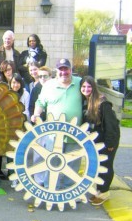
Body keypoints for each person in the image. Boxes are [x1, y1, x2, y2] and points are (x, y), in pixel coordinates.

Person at [32, 58, 83, 190]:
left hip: (75, 133)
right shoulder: (49, 85)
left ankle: (68, 191)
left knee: (72, 163)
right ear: (56, 71)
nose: (63, 72)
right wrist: (36, 114)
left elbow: (92, 93)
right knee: (52, 162)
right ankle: (51, 190)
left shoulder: (79, 83)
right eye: (61, 69)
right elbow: (40, 102)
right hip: (53, 133)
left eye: (66, 69)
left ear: (71, 70)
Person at [81, 76, 120, 206]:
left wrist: (110, 144)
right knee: (99, 165)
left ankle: (104, 193)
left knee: (106, 165)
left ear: (94, 87)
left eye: (89, 86)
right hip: (97, 141)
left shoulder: (102, 103)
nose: (86, 89)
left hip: (107, 140)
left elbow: (111, 124)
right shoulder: (86, 102)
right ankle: (99, 191)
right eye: (83, 86)